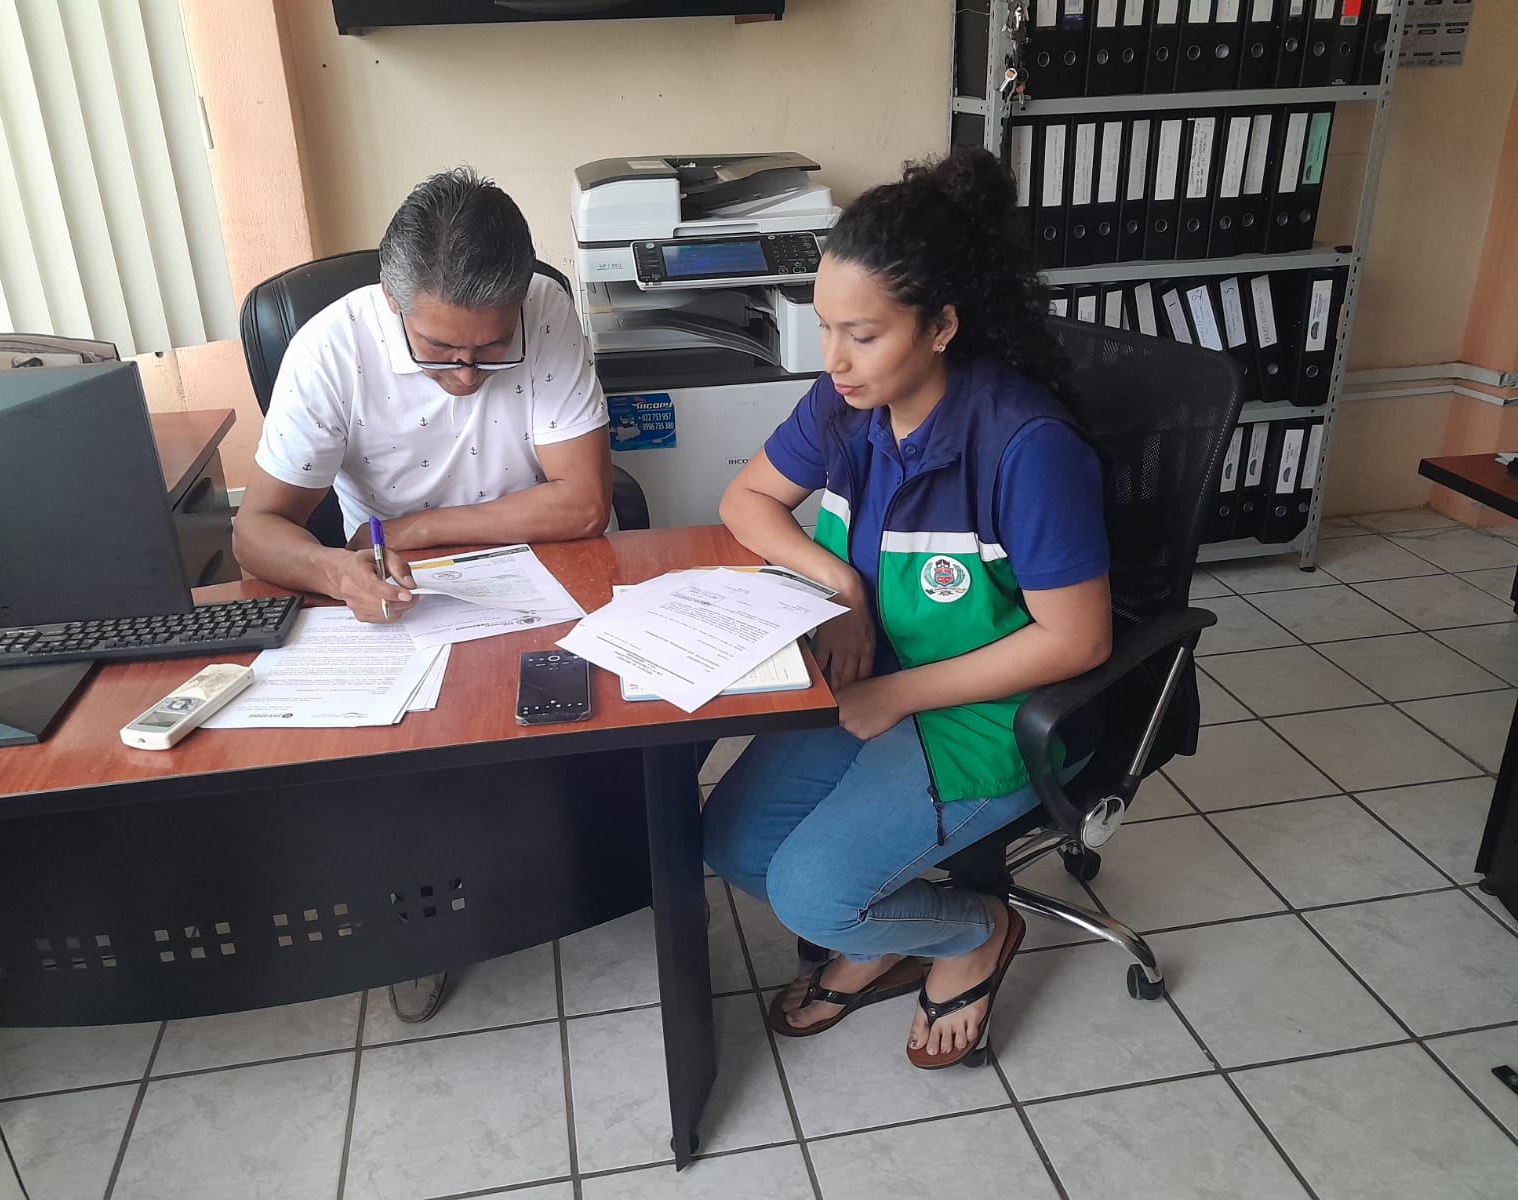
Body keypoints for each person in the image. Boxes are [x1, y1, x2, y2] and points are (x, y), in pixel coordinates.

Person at [703, 147, 1112, 1069]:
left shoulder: (1025, 446)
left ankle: (973, 931)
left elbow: (1079, 638)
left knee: (810, 897)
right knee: (732, 846)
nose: (834, 360)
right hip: (876, 671)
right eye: (825, 328)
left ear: (941, 326)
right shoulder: (846, 404)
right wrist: (841, 586)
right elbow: (747, 500)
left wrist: (897, 695)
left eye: (862, 333)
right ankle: (888, 931)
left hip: (990, 712)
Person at [234, 167, 613, 1022]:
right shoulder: (331, 349)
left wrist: (416, 527)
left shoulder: (545, 311)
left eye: (491, 348)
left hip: (532, 564)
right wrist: (338, 570)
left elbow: (583, 505)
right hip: (394, 584)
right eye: (440, 351)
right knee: (406, 761)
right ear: (391, 303)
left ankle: (599, 873)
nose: (469, 375)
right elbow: (256, 530)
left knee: (595, 727)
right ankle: (420, 924)